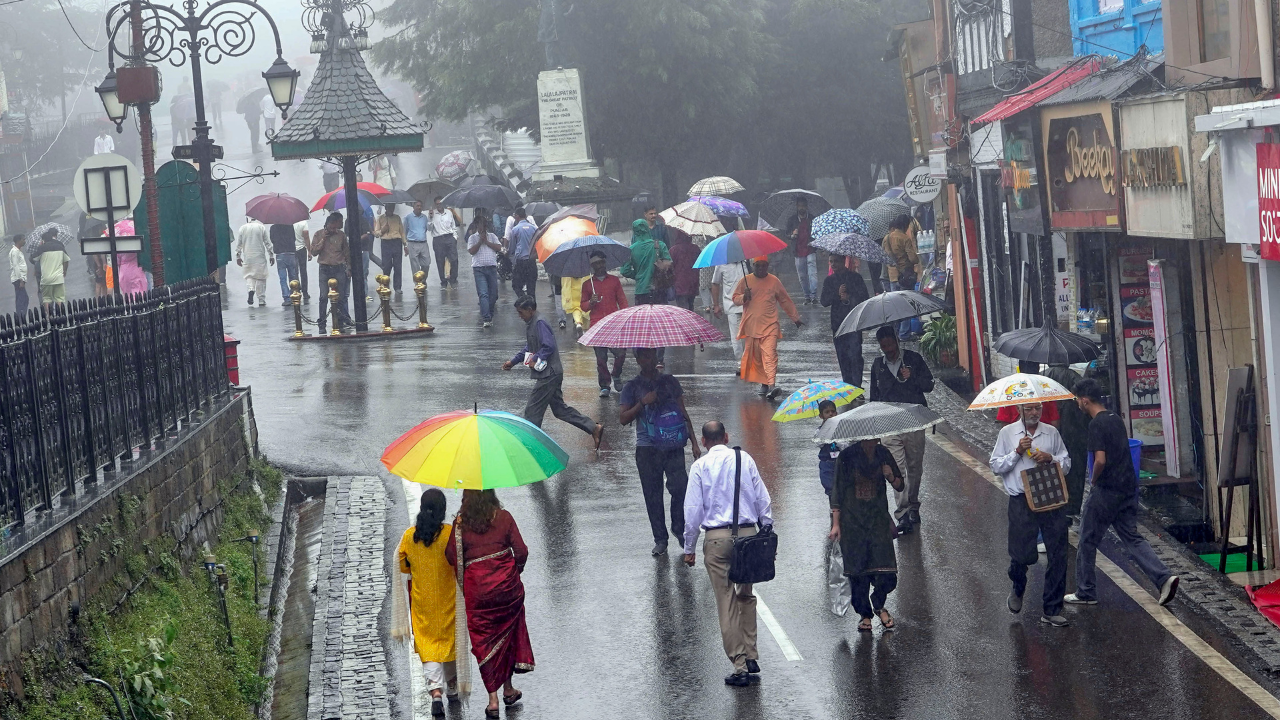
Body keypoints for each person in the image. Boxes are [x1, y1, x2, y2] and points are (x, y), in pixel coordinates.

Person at [1066, 379, 1180, 607]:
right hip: (1128, 488)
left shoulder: (1096, 424)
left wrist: (1093, 479)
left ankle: (1085, 591)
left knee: (1087, 539)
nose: (1078, 403)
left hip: (1107, 490)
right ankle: (1164, 577)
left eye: (1078, 399)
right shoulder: (1115, 418)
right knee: (1132, 537)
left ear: (1085, 400)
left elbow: (1100, 459)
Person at [682, 421, 773, 686]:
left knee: (726, 601)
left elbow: (693, 511)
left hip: (717, 540)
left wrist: (689, 548)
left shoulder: (699, 466)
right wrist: (767, 536)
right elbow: (762, 500)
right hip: (748, 537)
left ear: (703, 440)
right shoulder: (744, 459)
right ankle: (752, 654)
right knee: (746, 594)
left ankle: (740, 664)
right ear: (726, 436)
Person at [444, 490, 533, 718]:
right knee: (507, 635)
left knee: (485, 641)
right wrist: (514, 571)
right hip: (507, 589)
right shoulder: (504, 517)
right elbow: (521, 551)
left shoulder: (460, 525)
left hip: (478, 592)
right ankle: (508, 689)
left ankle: (492, 699)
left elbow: (451, 555)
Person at [991, 402, 1072, 627]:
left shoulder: (1052, 433)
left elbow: (1066, 464)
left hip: (1051, 497)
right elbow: (996, 466)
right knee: (1022, 555)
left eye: (1037, 408)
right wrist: (1017, 452)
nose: (1034, 413)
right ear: (1019, 410)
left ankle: (1052, 609)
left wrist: (1051, 458)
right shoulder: (1007, 433)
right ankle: (1018, 586)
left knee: (1058, 552)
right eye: (1029, 409)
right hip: (1021, 499)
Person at [621, 347, 701, 555]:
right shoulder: (631, 387)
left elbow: (683, 411)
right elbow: (623, 419)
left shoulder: (670, 381)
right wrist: (642, 402)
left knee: (681, 488)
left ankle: (678, 527)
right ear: (637, 359)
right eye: (644, 356)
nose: (649, 359)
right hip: (647, 449)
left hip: (673, 445)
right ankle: (660, 539)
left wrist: (693, 442)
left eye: (652, 354)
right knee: (652, 495)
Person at [503, 295, 605, 446]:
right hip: (551, 373)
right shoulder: (532, 323)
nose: (519, 316)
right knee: (560, 410)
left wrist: (536, 358)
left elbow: (548, 346)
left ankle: (530, 445)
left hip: (548, 375)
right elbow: (530, 346)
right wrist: (514, 361)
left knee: (532, 411)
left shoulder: (539, 322)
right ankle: (593, 427)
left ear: (530, 310)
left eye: (521, 312)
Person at [829, 437, 904, 632]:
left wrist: (890, 476)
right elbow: (837, 491)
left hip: (878, 520)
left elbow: (899, 485)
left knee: (886, 572)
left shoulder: (883, 453)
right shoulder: (846, 456)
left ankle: (878, 605)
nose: (873, 439)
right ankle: (865, 615)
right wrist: (836, 524)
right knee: (858, 572)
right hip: (852, 522)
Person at [868, 325, 934, 534]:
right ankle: (902, 513)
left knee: (915, 468)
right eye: (883, 346)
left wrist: (911, 376)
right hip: (889, 423)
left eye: (889, 344)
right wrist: (875, 428)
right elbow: (874, 397)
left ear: (896, 340)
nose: (887, 350)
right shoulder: (878, 366)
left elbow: (929, 385)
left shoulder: (913, 359)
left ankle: (913, 505)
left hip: (913, 420)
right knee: (896, 469)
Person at [397, 489, 458, 716]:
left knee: (428, 644)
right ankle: (452, 686)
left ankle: (435, 692)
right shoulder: (450, 533)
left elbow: (403, 565)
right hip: (448, 598)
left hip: (423, 602)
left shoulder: (410, 536)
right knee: (449, 641)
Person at [732, 257, 803, 399]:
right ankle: (765, 384)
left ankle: (772, 385)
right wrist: (744, 297)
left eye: (763, 266)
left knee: (770, 355)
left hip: (770, 326)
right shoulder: (745, 281)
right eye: (757, 266)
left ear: (768, 266)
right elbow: (735, 298)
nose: (760, 268)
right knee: (758, 358)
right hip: (751, 327)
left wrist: (795, 317)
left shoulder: (774, 281)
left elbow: (784, 299)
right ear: (753, 265)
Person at [581, 250, 628, 395]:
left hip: (614, 324)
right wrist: (591, 302)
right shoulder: (588, 284)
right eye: (596, 264)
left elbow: (622, 301)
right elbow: (582, 305)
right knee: (601, 359)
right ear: (592, 266)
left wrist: (626, 317)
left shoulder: (614, 281)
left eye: (601, 262)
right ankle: (605, 385)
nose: (600, 266)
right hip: (597, 325)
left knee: (620, 353)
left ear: (605, 262)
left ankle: (616, 374)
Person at [821, 253, 869, 387]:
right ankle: (848, 385)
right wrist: (837, 295)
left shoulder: (855, 278)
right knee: (842, 357)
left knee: (855, 355)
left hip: (854, 323)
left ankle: (857, 385)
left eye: (836, 261)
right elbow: (824, 301)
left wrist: (849, 298)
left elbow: (864, 298)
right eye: (831, 262)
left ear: (844, 261)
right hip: (837, 324)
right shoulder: (829, 281)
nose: (833, 265)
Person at [310, 212, 353, 333]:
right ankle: (322, 323)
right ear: (327, 225)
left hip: (338, 267)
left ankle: (340, 321)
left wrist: (349, 267)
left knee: (340, 297)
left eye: (336, 227)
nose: (334, 229)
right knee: (323, 296)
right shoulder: (318, 234)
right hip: (324, 268)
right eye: (332, 227)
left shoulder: (341, 235)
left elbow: (346, 252)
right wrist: (323, 239)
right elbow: (313, 252)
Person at [883, 214, 920, 338]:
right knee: (906, 306)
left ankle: (896, 332)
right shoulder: (904, 238)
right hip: (905, 277)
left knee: (895, 307)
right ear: (905, 225)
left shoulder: (886, 238)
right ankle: (904, 334)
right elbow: (913, 259)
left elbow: (884, 257)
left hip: (892, 277)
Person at [468, 213, 503, 327]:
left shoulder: (492, 236)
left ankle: (490, 313)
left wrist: (487, 241)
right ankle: (486, 318)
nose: (482, 227)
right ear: (477, 225)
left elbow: (499, 248)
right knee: (483, 294)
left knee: (493, 294)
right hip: (479, 269)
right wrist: (480, 242)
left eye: (484, 224)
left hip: (492, 268)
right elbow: (471, 251)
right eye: (479, 224)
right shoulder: (472, 237)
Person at [710, 261, 747, 360]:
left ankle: (750, 361)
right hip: (731, 306)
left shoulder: (745, 263)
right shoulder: (721, 264)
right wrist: (716, 305)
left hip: (748, 304)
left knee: (749, 335)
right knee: (737, 337)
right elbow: (715, 283)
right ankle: (741, 362)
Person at [785, 197, 818, 304]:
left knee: (812, 274)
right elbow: (787, 234)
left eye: (803, 206)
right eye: (799, 206)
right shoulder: (792, 220)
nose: (801, 208)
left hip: (810, 250)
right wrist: (792, 234)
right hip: (798, 252)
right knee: (802, 276)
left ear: (807, 207)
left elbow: (817, 233)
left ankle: (813, 296)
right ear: (797, 207)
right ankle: (807, 296)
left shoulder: (813, 219)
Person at [236, 217, 274, 307]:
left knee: (249, 275)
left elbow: (239, 244)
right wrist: (271, 255)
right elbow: (267, 243)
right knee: (261, 277)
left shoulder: (242, 228)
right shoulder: (261, 227)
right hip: (259, 256)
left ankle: (251, 290)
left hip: (248, 256)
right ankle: (261, 299)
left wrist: (238, 256)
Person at [376, 203, 407, 294]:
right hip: (386, 243)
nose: (391, 209)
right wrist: (383, 230)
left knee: (398, 266)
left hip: (396, 242)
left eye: (392, 208)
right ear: (386, 208)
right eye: (389, 207)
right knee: (386, 266)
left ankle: (397, 287)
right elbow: (377, 233)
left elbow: (402, 232)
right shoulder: (381, 218)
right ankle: (386, 285)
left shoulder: (397, 218)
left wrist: (405, 244)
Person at [32, 228, 69, 305]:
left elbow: (33, 259)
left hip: (44, 274)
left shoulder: (40, 248)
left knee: (46, 297)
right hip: (57, 272)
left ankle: (48, 314)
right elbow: (66, 259)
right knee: (58, 295)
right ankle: (60, 313)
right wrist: (64, 270)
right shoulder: (59, 245)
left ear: (43, 240)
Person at [429, 197, 460, 287]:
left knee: (454, 259)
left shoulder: (449, 212)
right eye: (437, 204)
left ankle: (453, 279)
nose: (439, 205)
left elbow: (453, 226)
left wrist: (455, 237)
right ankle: (443, 281)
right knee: (440, 261)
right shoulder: (432, 213)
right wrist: (430, 218)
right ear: (435, 204)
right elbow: (429, 229)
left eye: (440, 203)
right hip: (438, 239)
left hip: (449, 237)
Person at [508, 208, 539, 298]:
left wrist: (510, 256)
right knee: (531, 287)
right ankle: (532, 306)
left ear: (517, 216)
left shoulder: (515, 229)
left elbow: (512, 248)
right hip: (531, 261)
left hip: (521, 262)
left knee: (516, 285)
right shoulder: (533, 229)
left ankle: (523, 300)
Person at [816, 400, 844, 496]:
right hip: (827, 463)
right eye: (827, 412)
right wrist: (826, 430)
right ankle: (833, 507)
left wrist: (837, 438)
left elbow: (845, 445)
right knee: (830, 487)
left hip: (840, 462)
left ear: (836, 413)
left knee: (842, 486)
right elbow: (819, 443)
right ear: (821, 416)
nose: (830, 414)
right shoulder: (819, 430)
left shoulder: (841, 428)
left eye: (832, 412)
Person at [668, 230, 701, 310]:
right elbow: (700, 265)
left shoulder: (674, 250)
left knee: (682, 308)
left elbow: (670, 266)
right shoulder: (696, 249)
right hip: (693, 283)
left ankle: (686, 322)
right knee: (690, 306)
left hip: (679, 284)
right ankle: (692, 322)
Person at [269, 223, 299, 307]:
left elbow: (272, 240)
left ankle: (286, 298)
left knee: (283, 278)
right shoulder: (290, 226)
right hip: (291, 252)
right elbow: (294, 238)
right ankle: (294, 294)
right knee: (293, 276)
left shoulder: (273, 227)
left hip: (280, 254)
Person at [293, 219, 312, 302]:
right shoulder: (303, 223)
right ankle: (305, 292)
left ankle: (296, 290)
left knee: (294, 271)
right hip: (302, 249)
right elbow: (306, 236)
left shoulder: (290, 222)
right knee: (303, 271)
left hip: (292, 249)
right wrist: (309, 251)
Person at [9, 234, 27, 317]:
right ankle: (21, 318)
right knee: (23, 299)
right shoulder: (14, 252)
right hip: (18, 280)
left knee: (22, 298)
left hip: (20, 279)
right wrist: (21, 280)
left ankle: (21, 317)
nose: (24, 241)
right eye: (23, 239)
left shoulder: (18, 251)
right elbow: (16, 266)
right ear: (18, 241)